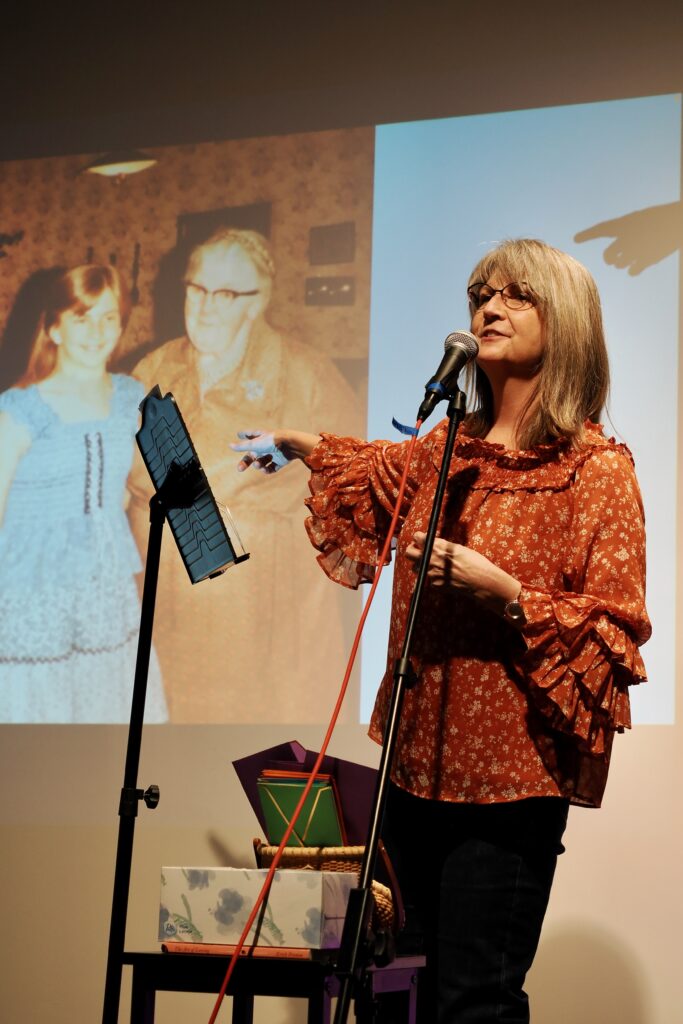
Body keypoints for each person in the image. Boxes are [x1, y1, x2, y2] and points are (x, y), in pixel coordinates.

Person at [231, 238, 651, 1022]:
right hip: (411, 769)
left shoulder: (594, 470)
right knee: (389, 994)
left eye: (514, 295)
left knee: (471, 1002)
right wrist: (293, 443)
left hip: (509, 786)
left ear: (564, 322)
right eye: (477, 295)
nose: (486, 308)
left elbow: (614, 626)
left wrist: (505, 594)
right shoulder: (444, 451)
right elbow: (373, 465)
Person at [127, 227, 361, 722]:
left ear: (258, 302)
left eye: (227, 293)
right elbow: (128, 478)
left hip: (270, 610)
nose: (206, 305)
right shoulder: (155, 366)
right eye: (197, 288)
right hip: (173, 602)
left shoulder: (306, 374)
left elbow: (350, 486)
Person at [0, 264, 167, 723]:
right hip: (30, 589)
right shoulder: (19, 408)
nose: (97, 331)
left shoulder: (132, 397)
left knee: (106, 713)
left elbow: (169, 479)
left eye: (108, 317)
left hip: (103, 583)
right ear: (53, 327)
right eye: (81, 317)